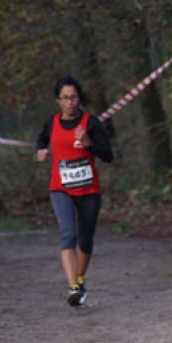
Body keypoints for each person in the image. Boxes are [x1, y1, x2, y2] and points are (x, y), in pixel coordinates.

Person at [36, 75, 113, 306]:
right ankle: (72, 287)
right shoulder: (51, 122)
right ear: (58, 100)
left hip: (89, 190)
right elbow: (41, 139)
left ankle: (79, 279)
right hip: (61, 188)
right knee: (68, 234)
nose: (70, 102)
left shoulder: (91, 123)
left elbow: (108, 156)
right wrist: (41, 149)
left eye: (73, 97)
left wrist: (88, 143)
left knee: (85, 239)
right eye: (65, 98)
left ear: (79, 98)